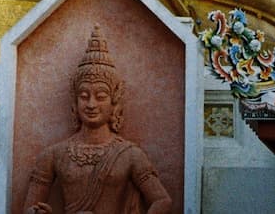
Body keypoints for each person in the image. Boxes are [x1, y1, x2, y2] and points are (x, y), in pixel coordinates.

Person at [23, 25, 173, 214]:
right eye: (84, 96)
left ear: (114, 102)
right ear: (75, 101)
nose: (91, 104)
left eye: (101, 96)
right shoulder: (53, 155)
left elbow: (162, 201)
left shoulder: (130, 155)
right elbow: (29, 208)